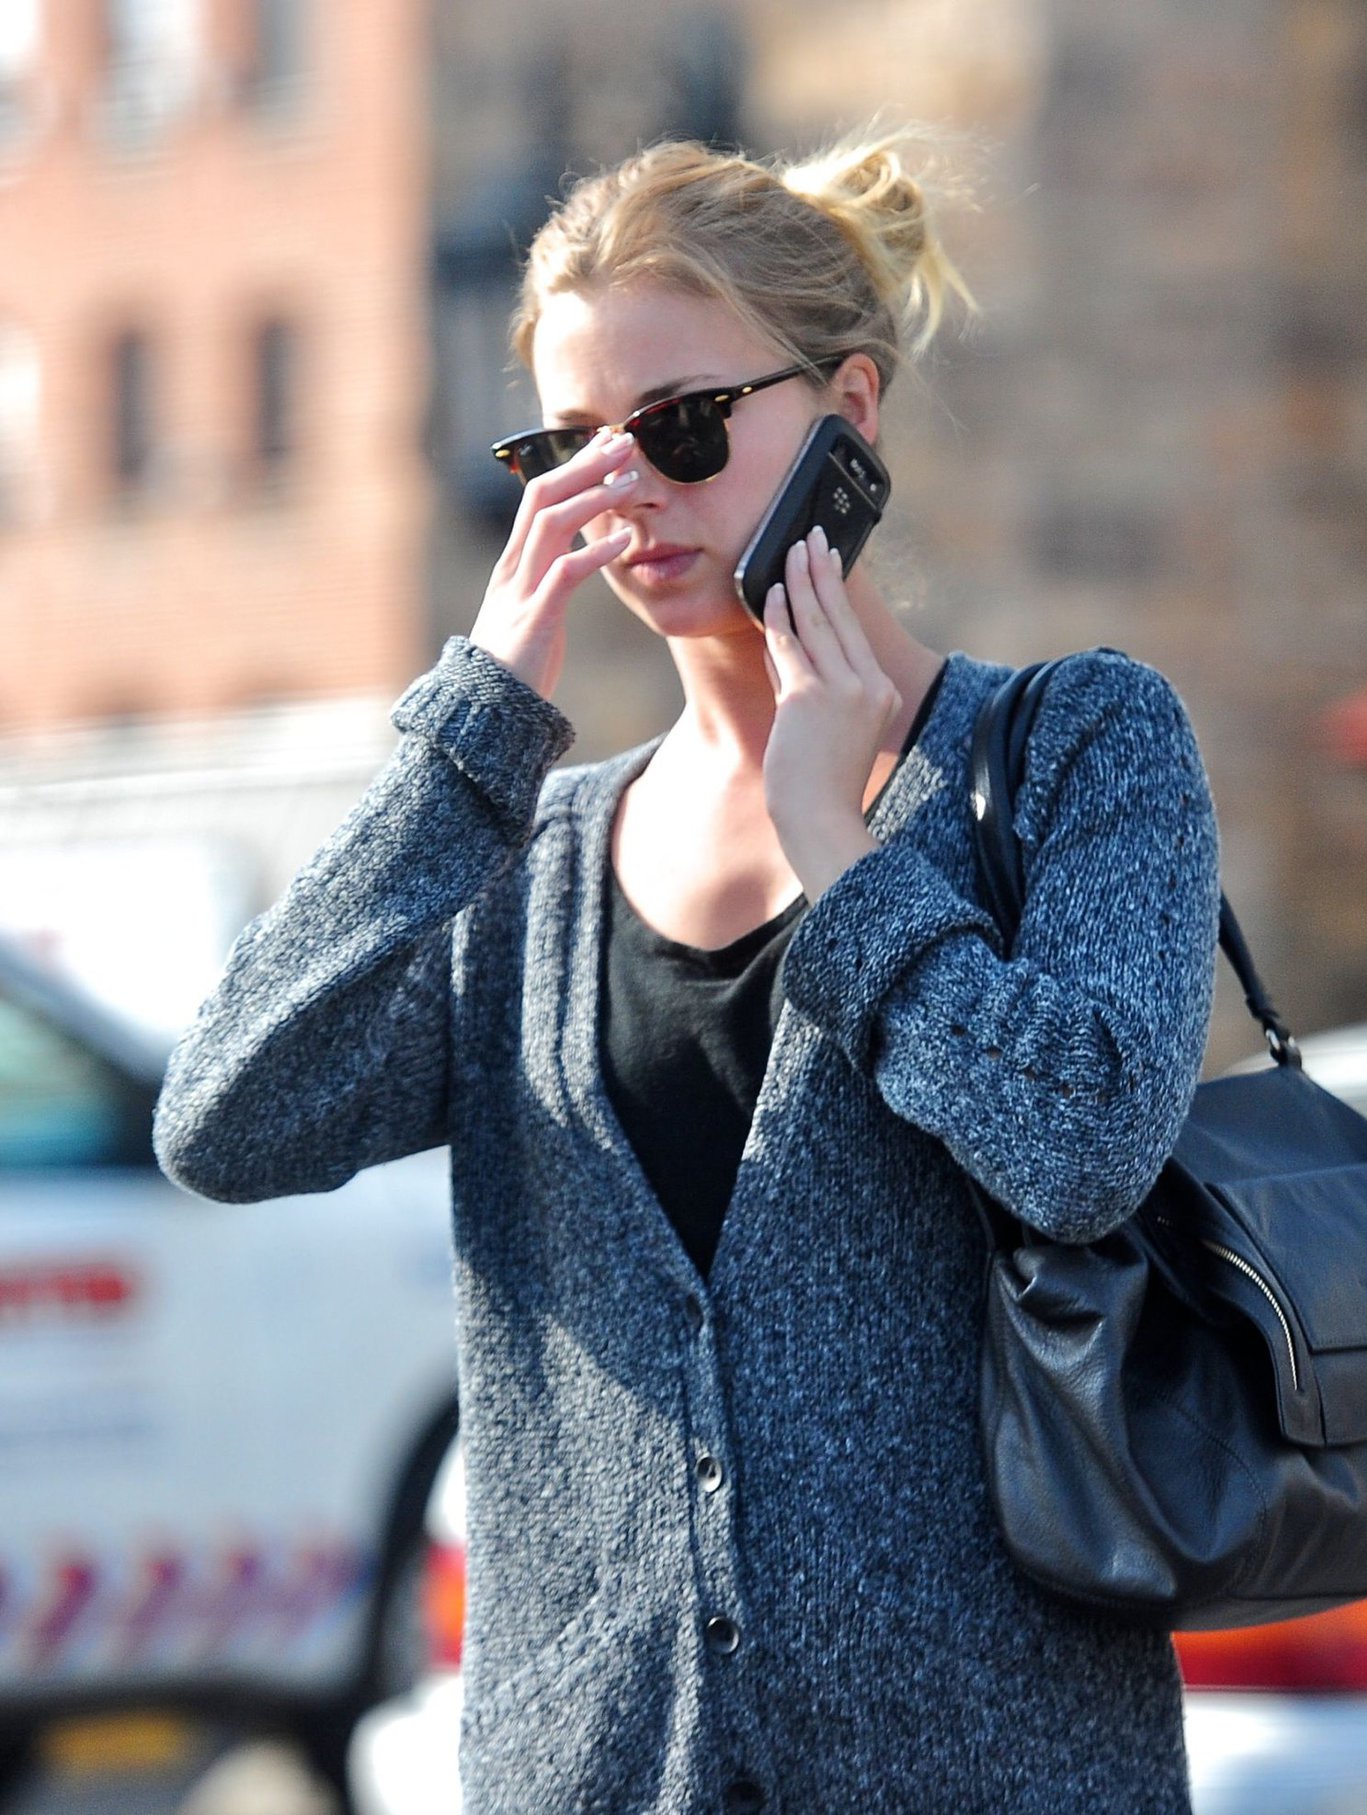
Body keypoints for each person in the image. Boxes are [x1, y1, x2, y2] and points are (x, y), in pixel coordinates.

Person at [153, 128, 1221, 1814]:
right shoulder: (532, 854)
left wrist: (837, 847)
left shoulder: (1078, 742)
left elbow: (1081, 1147)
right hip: (592, 1772)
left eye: (679, 428)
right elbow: (227, 1119)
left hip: (991, 1766)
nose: (623, 492)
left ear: (849, 416)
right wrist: (467, 740)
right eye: (562, 450)